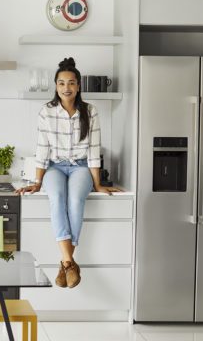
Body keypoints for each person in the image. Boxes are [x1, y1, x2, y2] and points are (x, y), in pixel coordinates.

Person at [16, 57, 121, 288]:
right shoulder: (47, 112)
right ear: (56, 86)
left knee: (75, 200)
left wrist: (98, 183)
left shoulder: (90, 112)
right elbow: (42, 149)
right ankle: (69, 262)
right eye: (62, 83)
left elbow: (94, 150)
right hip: (54, 167)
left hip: (81, 166)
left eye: (71, 83)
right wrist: (37, 181)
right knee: (57, 197)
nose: (67, 88)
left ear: (78, 86)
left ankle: (65, 262)